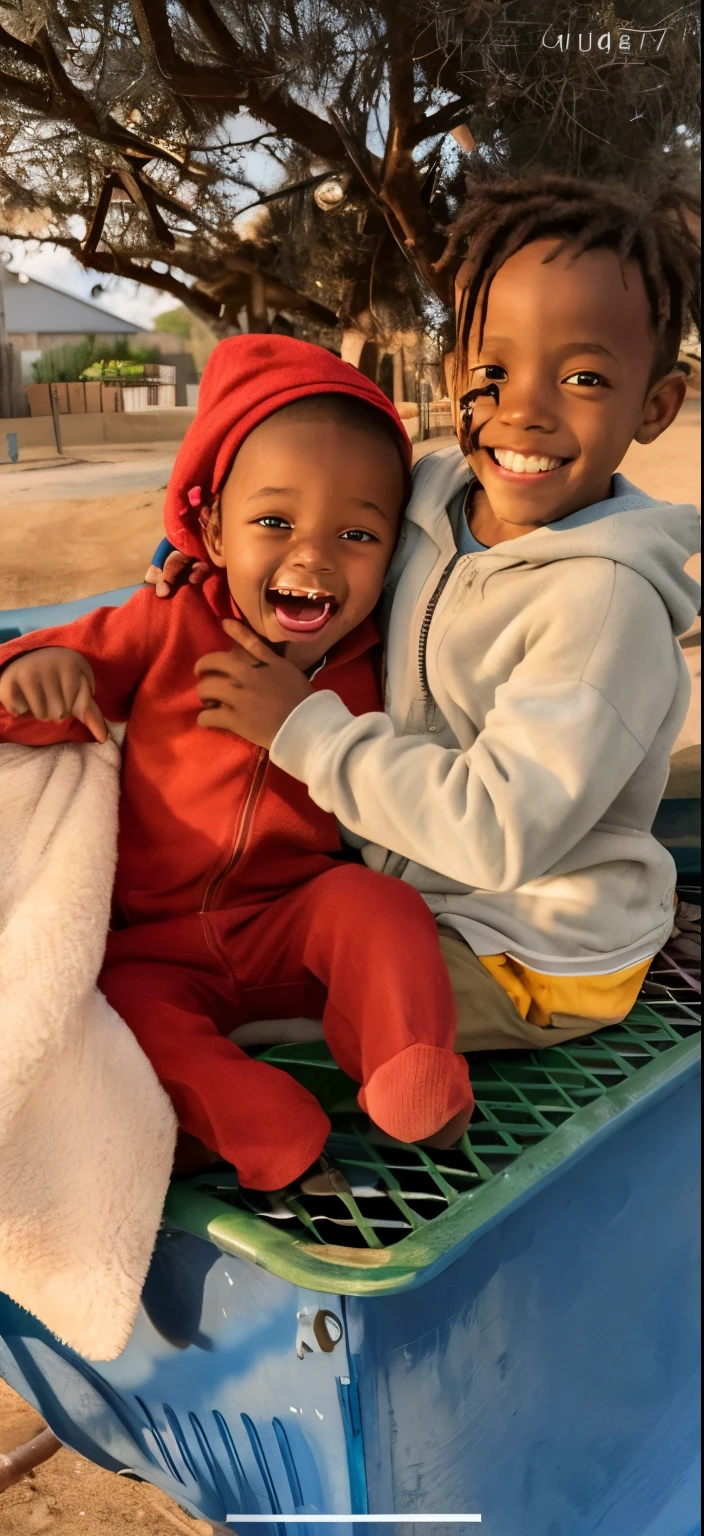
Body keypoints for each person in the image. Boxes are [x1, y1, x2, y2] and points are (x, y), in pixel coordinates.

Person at [148, 173, 700, 1051]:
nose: (525, 409)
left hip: (526, 942)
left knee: (267, 1030)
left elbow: (495, 835)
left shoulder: (604, 607)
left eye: (585, 376)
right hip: (390, 886)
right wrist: (204, 563)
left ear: (655, 407)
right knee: (186, 953)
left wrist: (307, 734)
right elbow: (322, 550)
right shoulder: (430, 493)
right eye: (494, 370)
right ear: (453, 377)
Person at [0, 337, 474, 1193]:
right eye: (273, 522)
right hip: (160, 944)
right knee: (126, 1017)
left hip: (294, 914)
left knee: (377, 907)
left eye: (358, 533)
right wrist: (32, 672)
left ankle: (412, 1074)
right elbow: (55, 667)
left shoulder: (380, 652)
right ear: (211, 528)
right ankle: (275, 1137)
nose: (314, 557)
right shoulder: (169, 621)